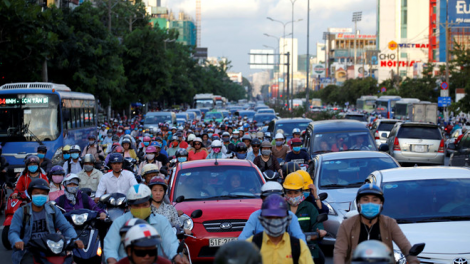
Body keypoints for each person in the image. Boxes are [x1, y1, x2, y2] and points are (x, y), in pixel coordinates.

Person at [333, 183, 419, 264]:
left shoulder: (389, 223)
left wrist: (413, 260)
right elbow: (340, 252)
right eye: (365, 200)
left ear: (381, 204)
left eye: (375, 200)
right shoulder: (347, 225)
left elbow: (405, 246)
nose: (370, 204)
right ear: (359, 204)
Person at [103, 184, 185, 264]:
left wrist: (177, 257)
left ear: (150, 203)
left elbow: (170, 243)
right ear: (129, 206)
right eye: (137, 206)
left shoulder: (161, 221)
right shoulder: (119, 222)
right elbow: (110, 248)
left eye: (145, 205)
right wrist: (112, 261)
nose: (141, 208)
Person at [8, 179, 84, 264]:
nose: (40, 195)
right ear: (30, 194)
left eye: (43, 193)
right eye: (36, 193)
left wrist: (75, 239)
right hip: (29, 250)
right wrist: (17, 241)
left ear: (47, 195)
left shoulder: (53, 210)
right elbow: (13, 232)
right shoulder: (22, 212)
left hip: (51, 248)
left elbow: (66, 227)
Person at [246, 194, 314, 264]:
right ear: (261, 221)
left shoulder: (299, 246)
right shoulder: (250, 245)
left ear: (288, 220)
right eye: (270, 217)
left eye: (279, 217)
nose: (275, 221)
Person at [238, 181, 306, 242]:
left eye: (276, 198)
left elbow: (300, 240)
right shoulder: (255, 216)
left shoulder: (290, 216)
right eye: (268, 198)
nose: (272, 202)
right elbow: (243, 239)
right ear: (262, 199)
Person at [283, 173, 326, 264]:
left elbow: (317, 222)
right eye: (290, 193)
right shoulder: (281, 207)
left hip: (307, 245)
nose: (293, 196)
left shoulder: (309, 207)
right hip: (283, 246)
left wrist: (320, 230)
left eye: (296, 192)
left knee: (320, 258)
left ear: (302, 192)